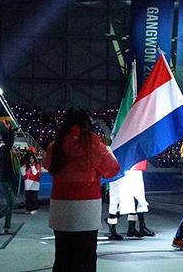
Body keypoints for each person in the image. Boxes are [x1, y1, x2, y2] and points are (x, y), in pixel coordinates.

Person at [44, 107, 119, 272]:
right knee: (87, 256)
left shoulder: (54, 146)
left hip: (60, 207)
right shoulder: (95, 145)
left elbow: (47, 165)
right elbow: (112, 170)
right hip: (87, 207)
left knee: (62, 256)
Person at [0, 129, 20, 234]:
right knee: (12, 203)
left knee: (10, 204)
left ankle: (7, 227)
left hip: (10, 179)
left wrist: (29, 154)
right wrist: (11, 131)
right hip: (4, 180)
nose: (14, 140)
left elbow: (18, 164)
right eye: (12, 138)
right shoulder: (3, 149)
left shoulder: (9, 150)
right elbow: (9, 142)